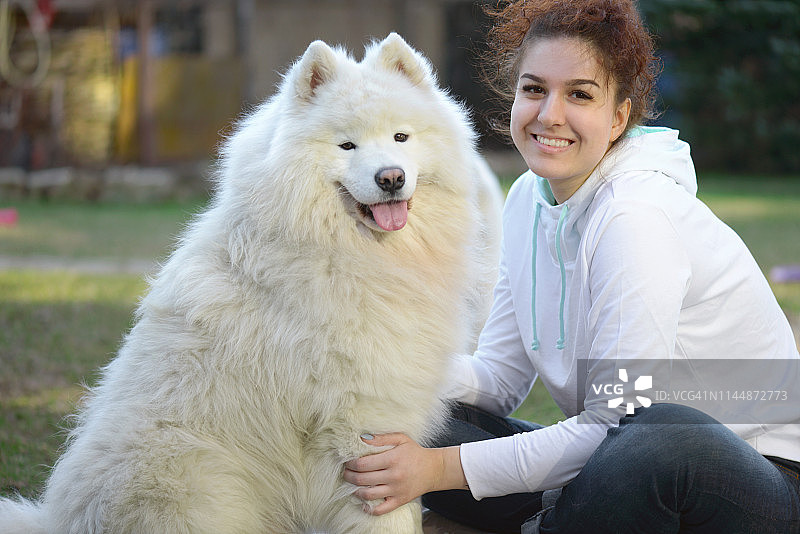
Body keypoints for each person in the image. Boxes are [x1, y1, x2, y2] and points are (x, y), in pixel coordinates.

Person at [343, 1, 800, 532]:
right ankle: (557, 518)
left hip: (751, 483)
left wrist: (437, 469)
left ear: (619, 117)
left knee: (658, 434)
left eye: (579, 94)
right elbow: (496, 380)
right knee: (411, 420)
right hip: (609, 466)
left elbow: (620, 420)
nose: (549, 115)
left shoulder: (636, 216)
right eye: (534, 89)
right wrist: (372, 371)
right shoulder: (526, 201)